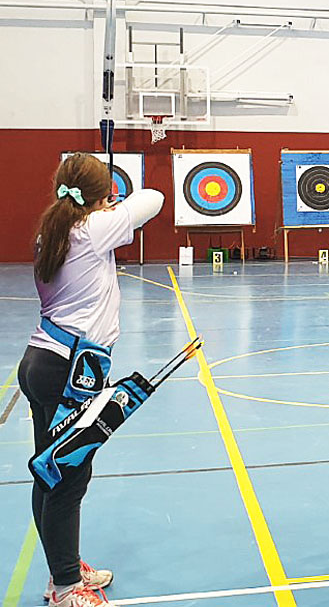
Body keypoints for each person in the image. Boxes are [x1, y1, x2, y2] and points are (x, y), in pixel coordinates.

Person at [19, 153, 164, 607]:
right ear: (101, 195)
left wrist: (100, 203)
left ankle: (62, 569)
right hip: (68, 372)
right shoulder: (90, 229)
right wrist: (110, 207)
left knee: (51, 469)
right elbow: (155, 198)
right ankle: (65, 587)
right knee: (68, 478)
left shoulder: (56, 230)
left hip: (45, 362)